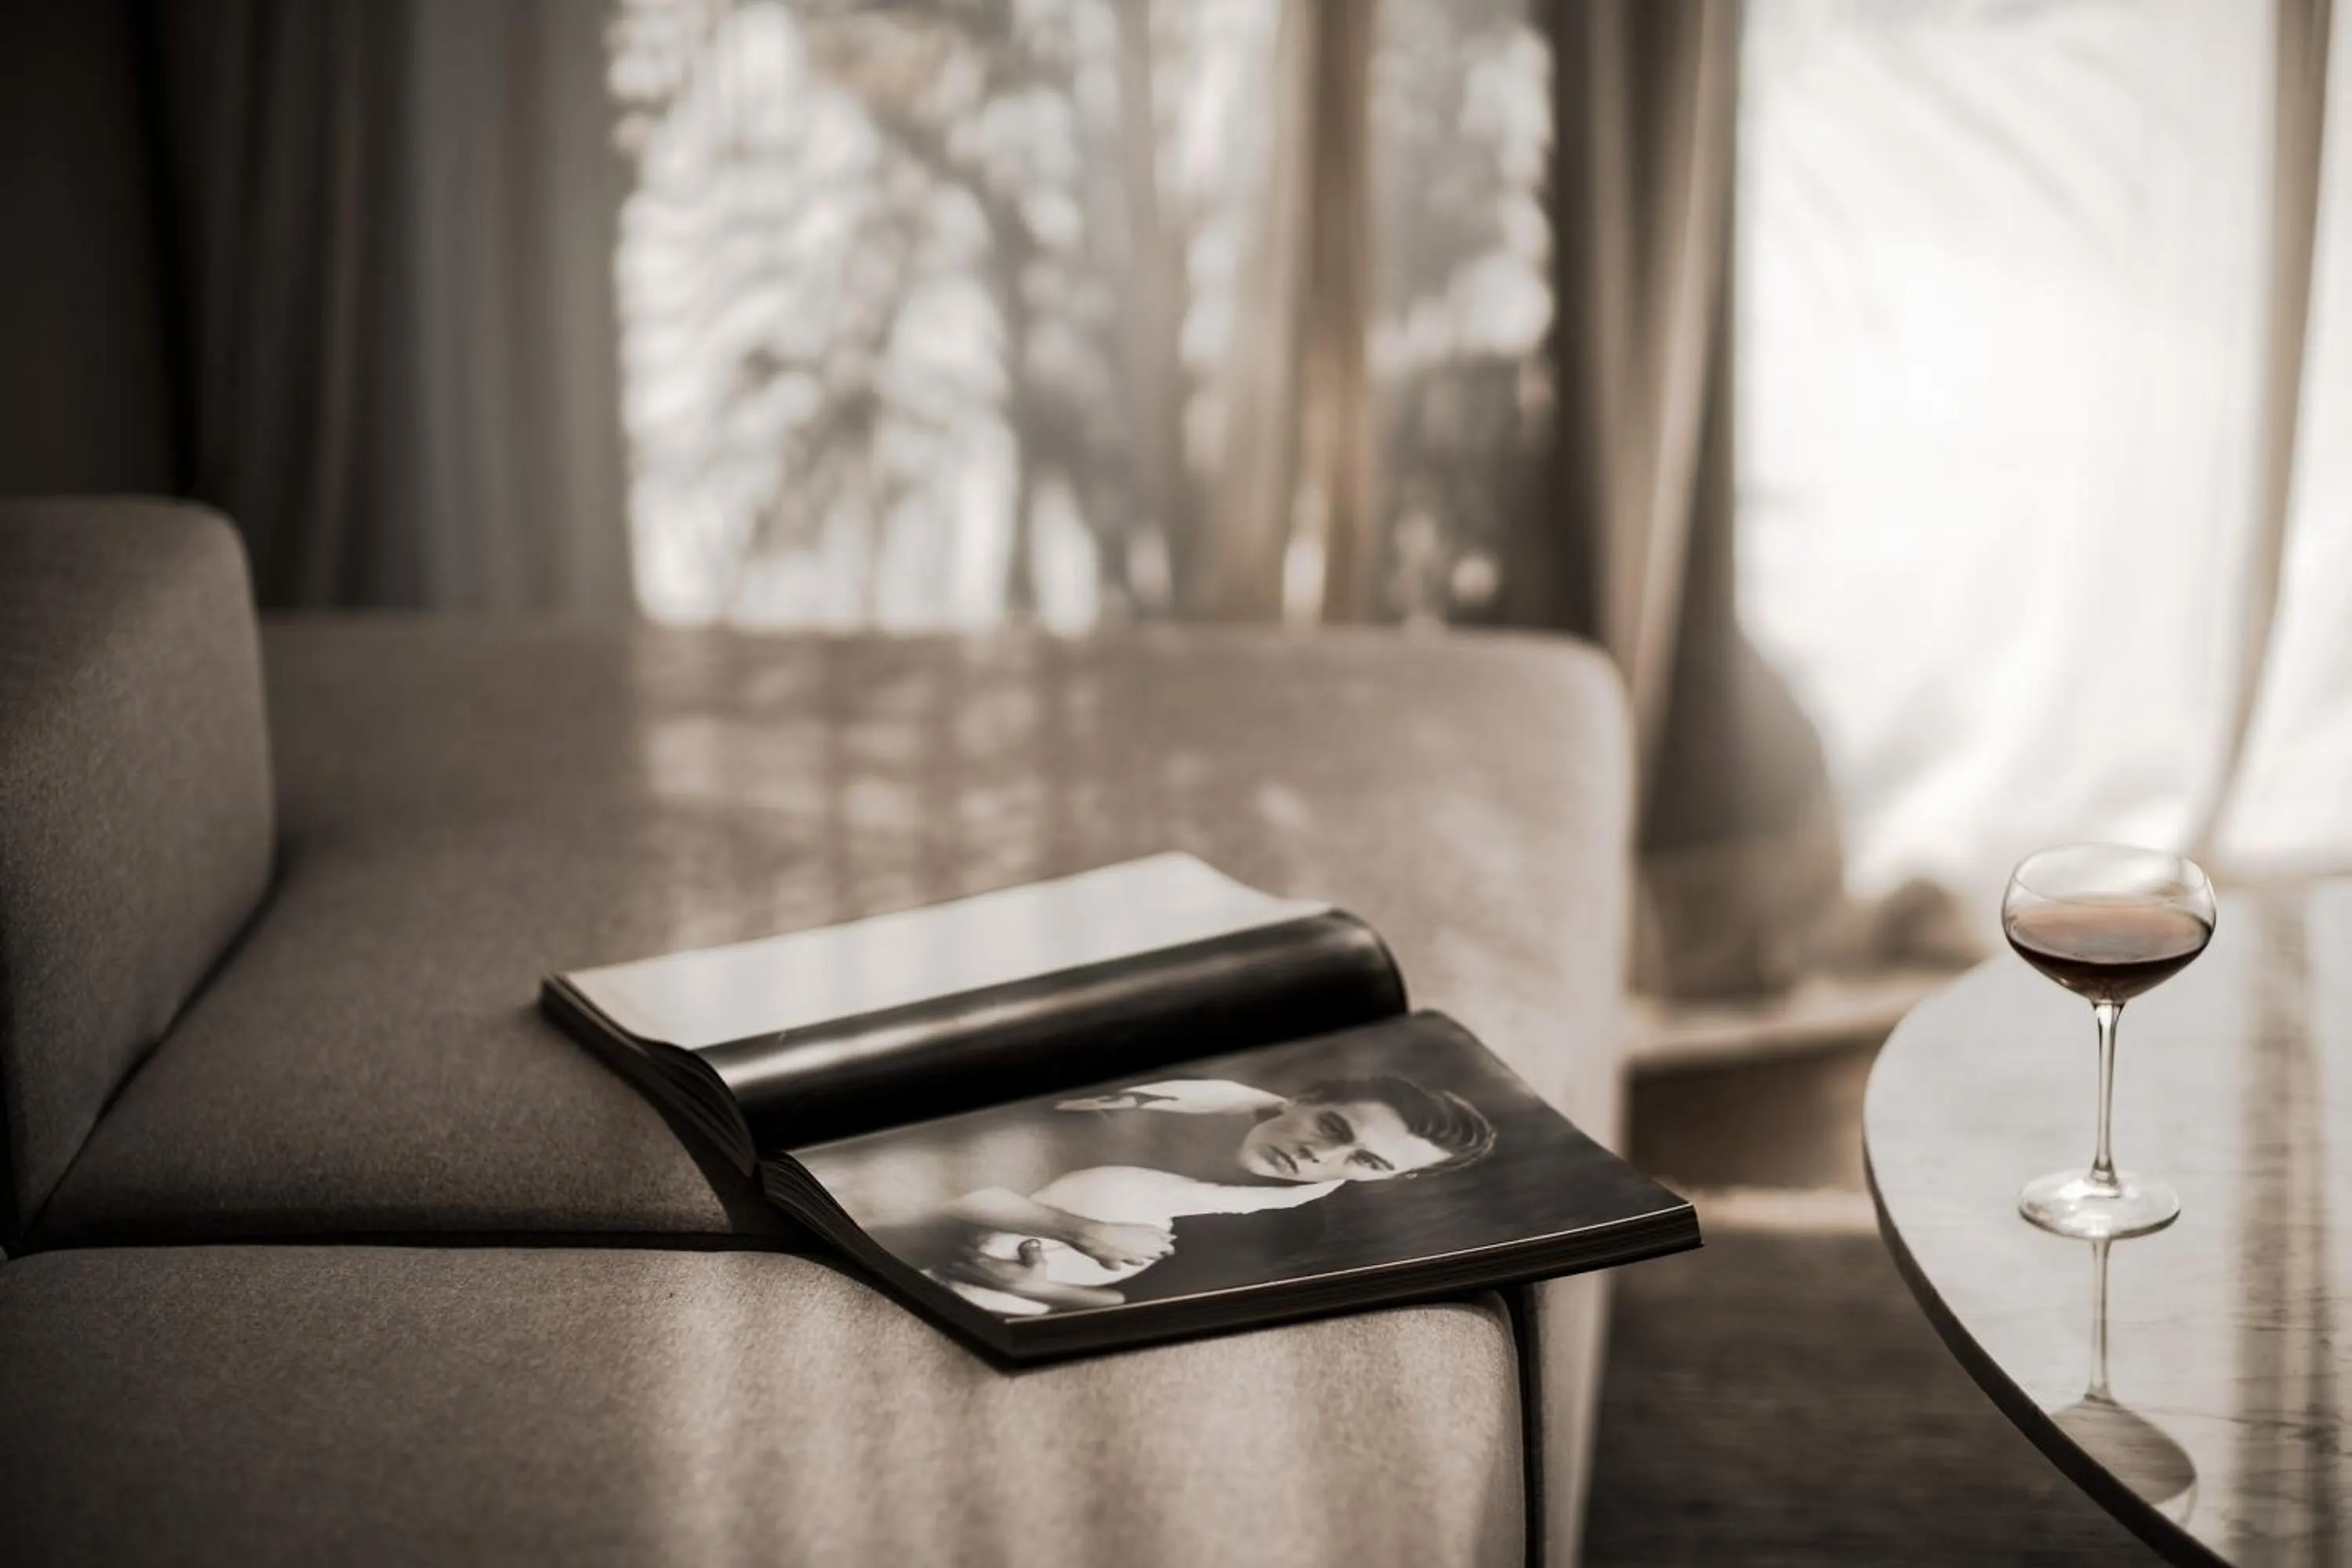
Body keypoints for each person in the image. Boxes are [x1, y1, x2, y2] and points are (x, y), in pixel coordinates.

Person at [876, 1074, 1497, 1315]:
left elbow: (1134, 1307)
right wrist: (1077, 1229)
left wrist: (1032, 1288)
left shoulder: (1284, 1228)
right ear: (1305, 1097)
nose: (1319, 1156)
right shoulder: (1178, 1099)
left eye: (1366, 1161)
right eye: (1332, 1127)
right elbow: (955, 1163)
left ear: (1388, 1178)